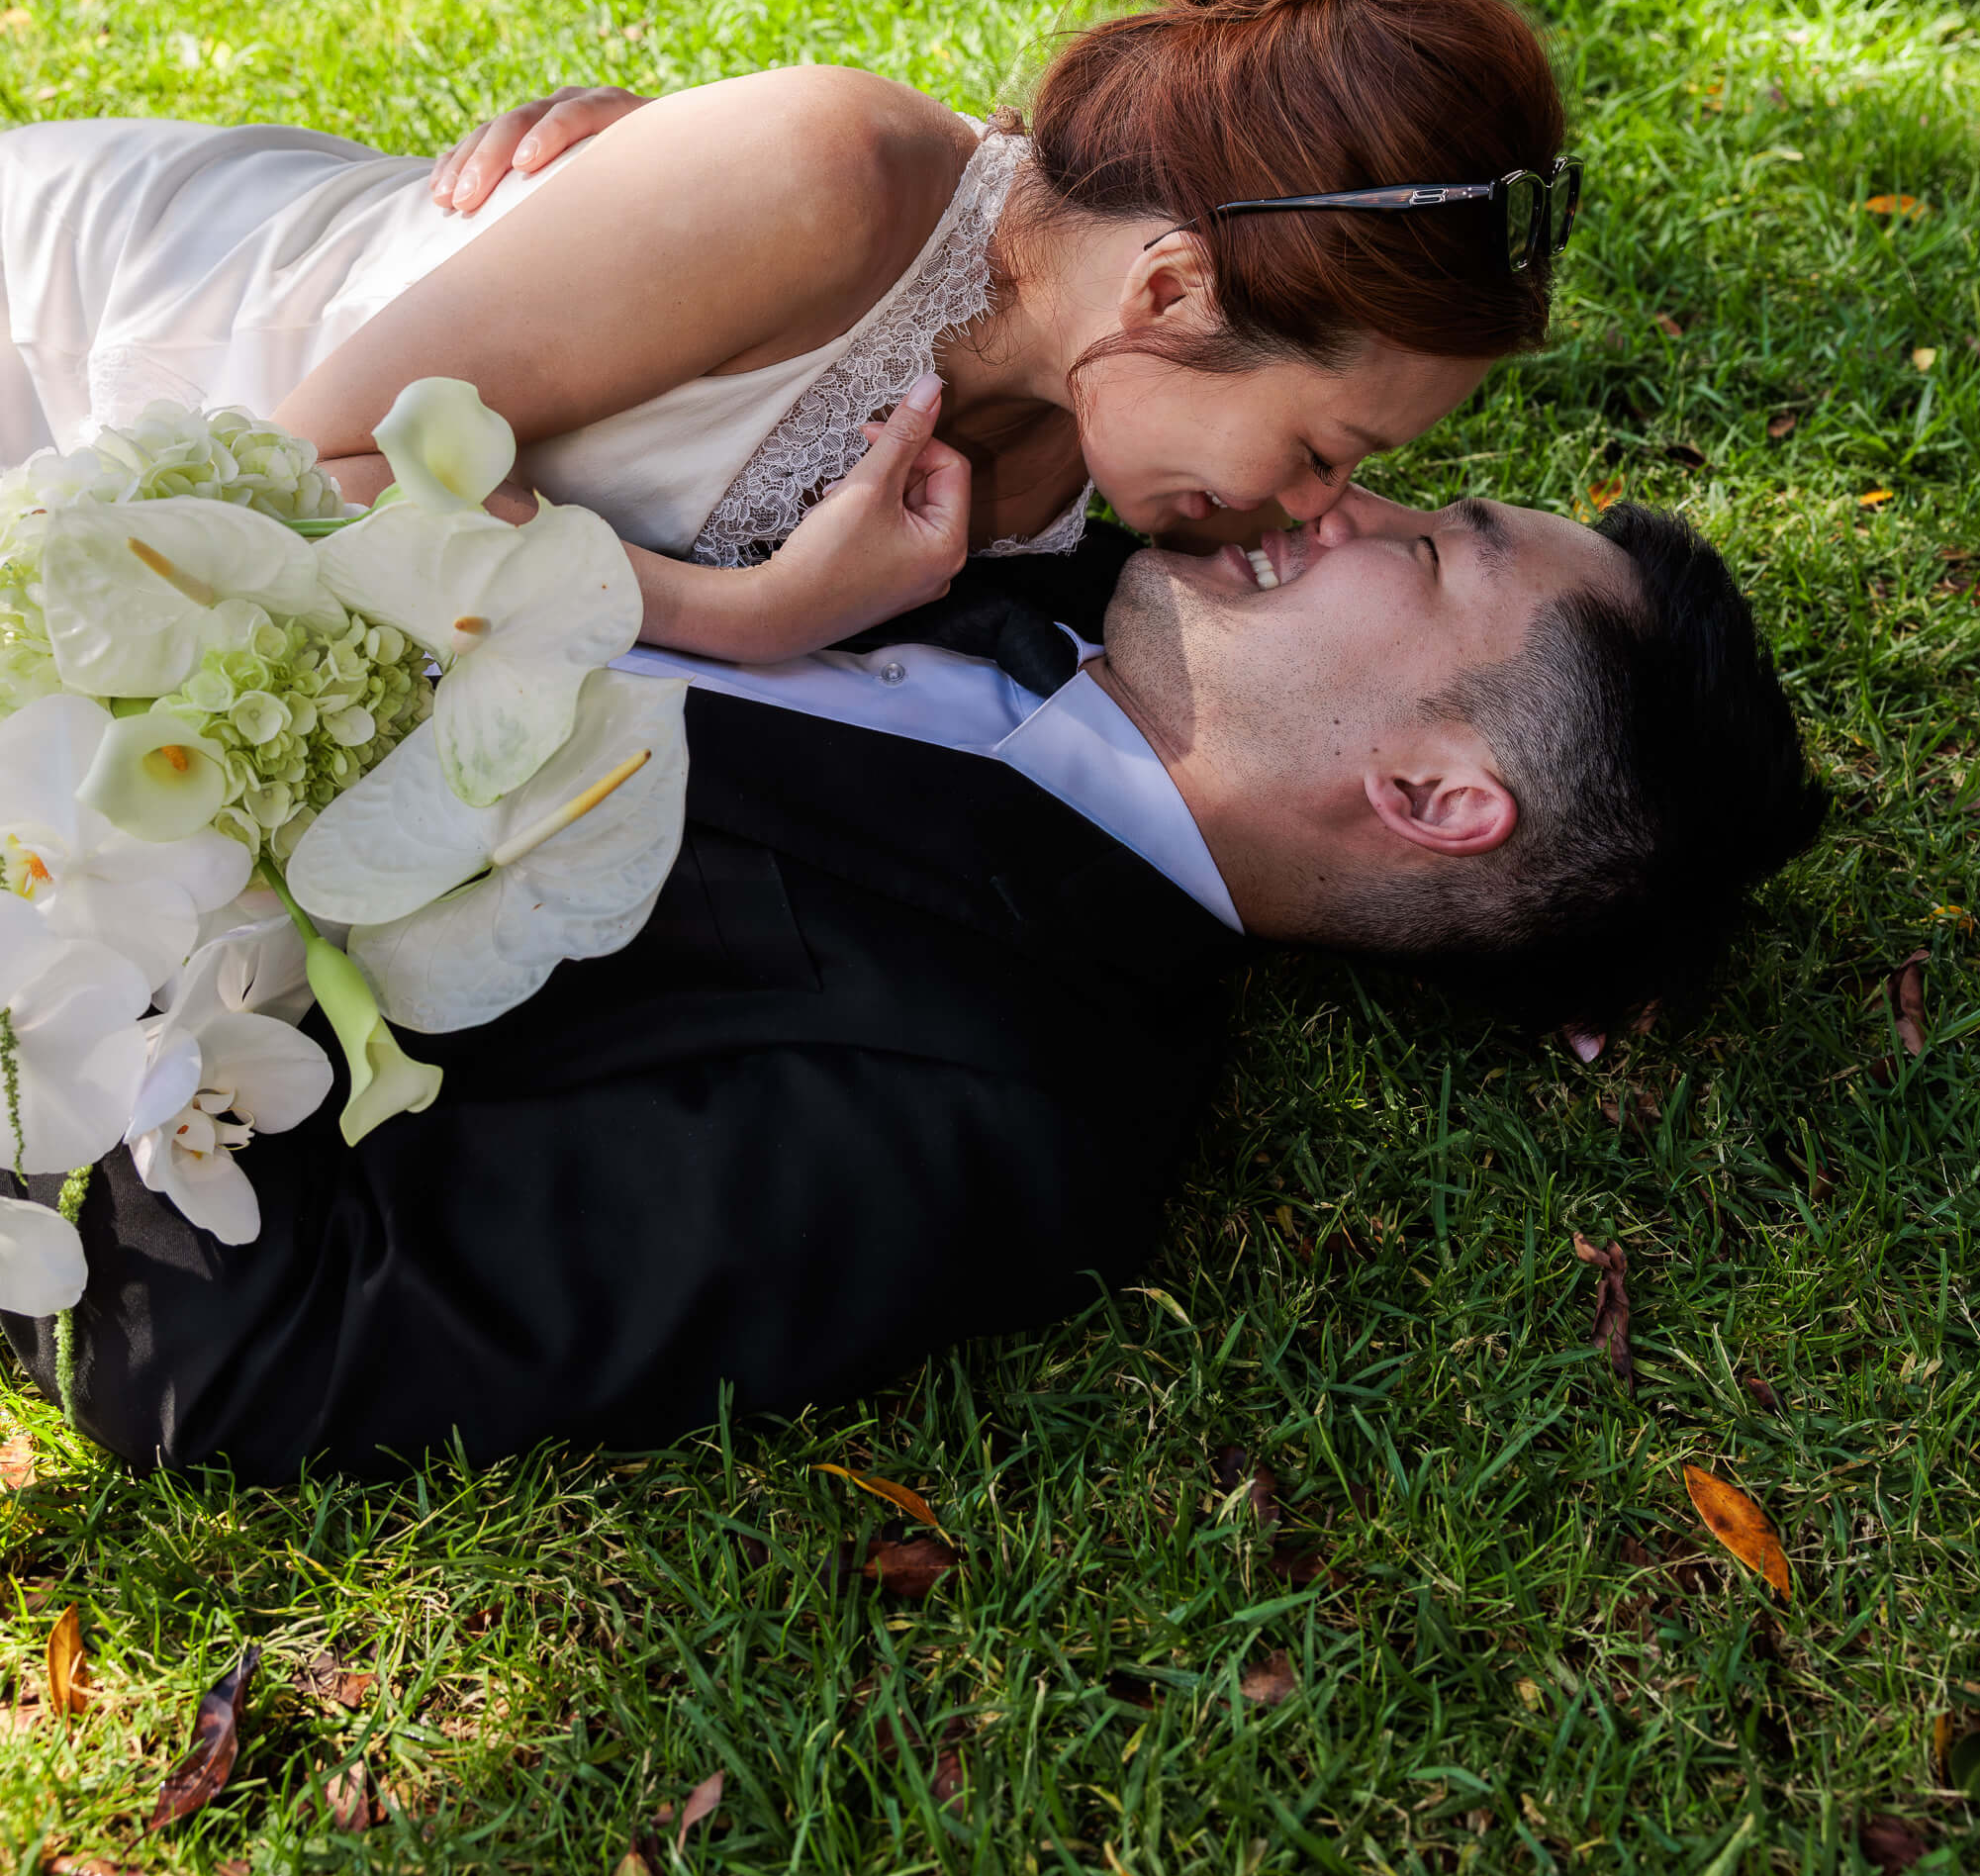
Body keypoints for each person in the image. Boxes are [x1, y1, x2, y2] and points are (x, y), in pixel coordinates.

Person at [1, 482, 1824, 1482]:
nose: (1341, 503)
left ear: (1430, 797)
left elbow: (223, 1350)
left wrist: (77, 966)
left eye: (1425, 552)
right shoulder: (1026, 524)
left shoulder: (1004, 1102)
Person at [0, 0, 1580, 679]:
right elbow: (304, 469)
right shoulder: (821, 177)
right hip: (90, 328)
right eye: (1327, 450)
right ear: (1168, 291)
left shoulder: (1069, 443)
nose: (1328, 511)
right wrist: (732, 615)